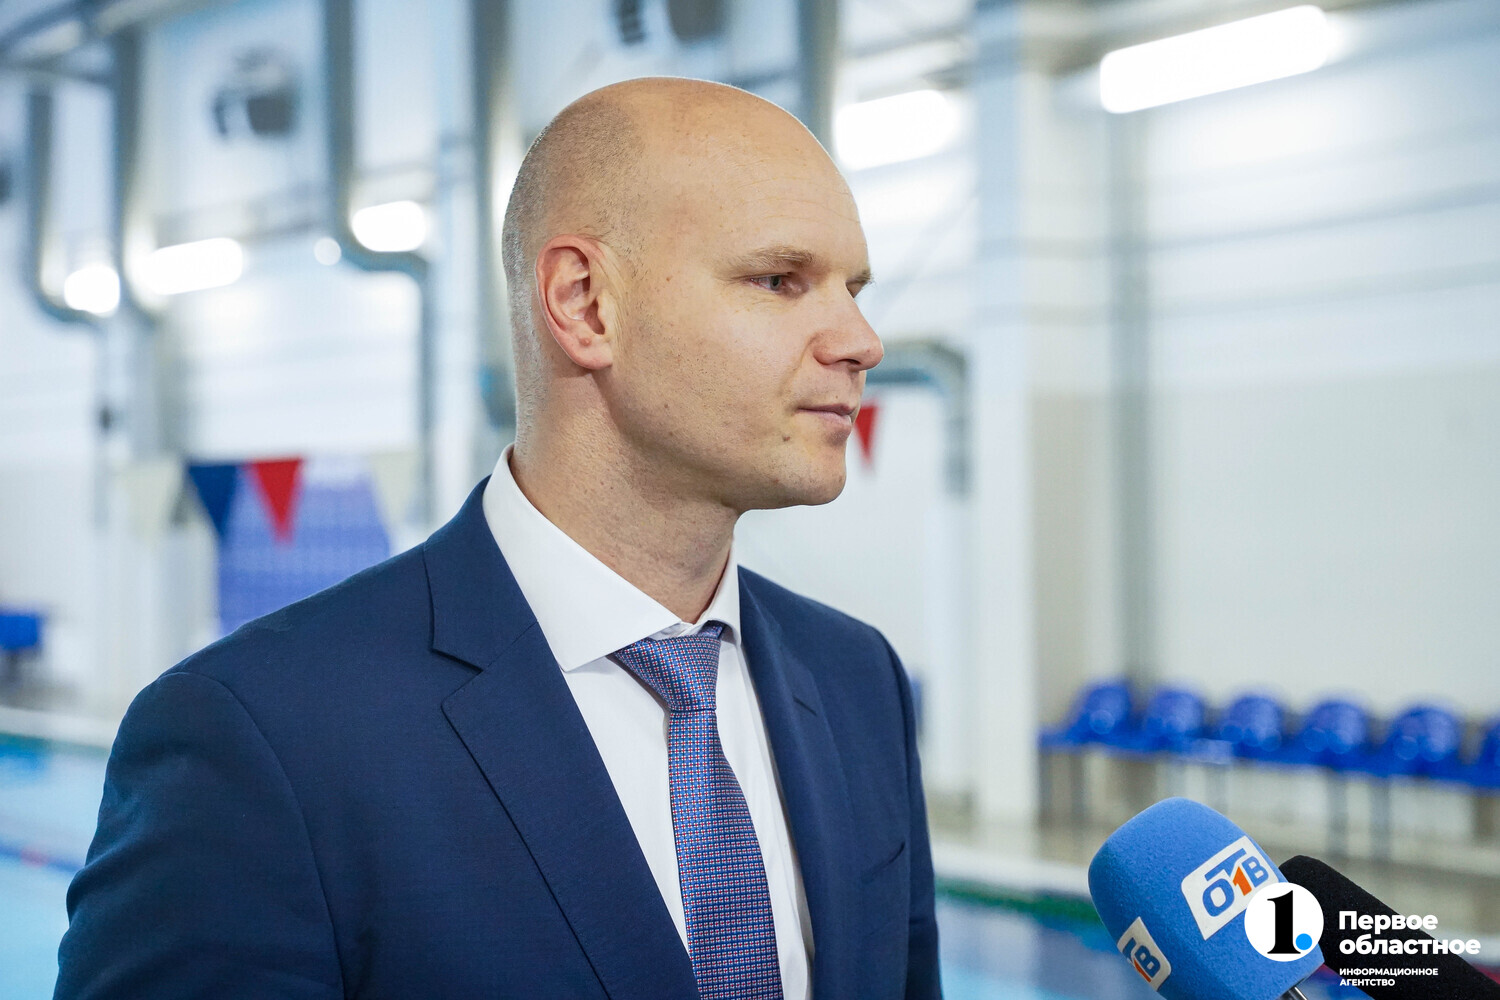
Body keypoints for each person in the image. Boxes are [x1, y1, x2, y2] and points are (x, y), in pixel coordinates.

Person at [56, 77, 940, 1000]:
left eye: (853, 289)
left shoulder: (856, 681)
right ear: (585, 304)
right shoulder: (266, 739)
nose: (862, 340)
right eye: (780, 280)